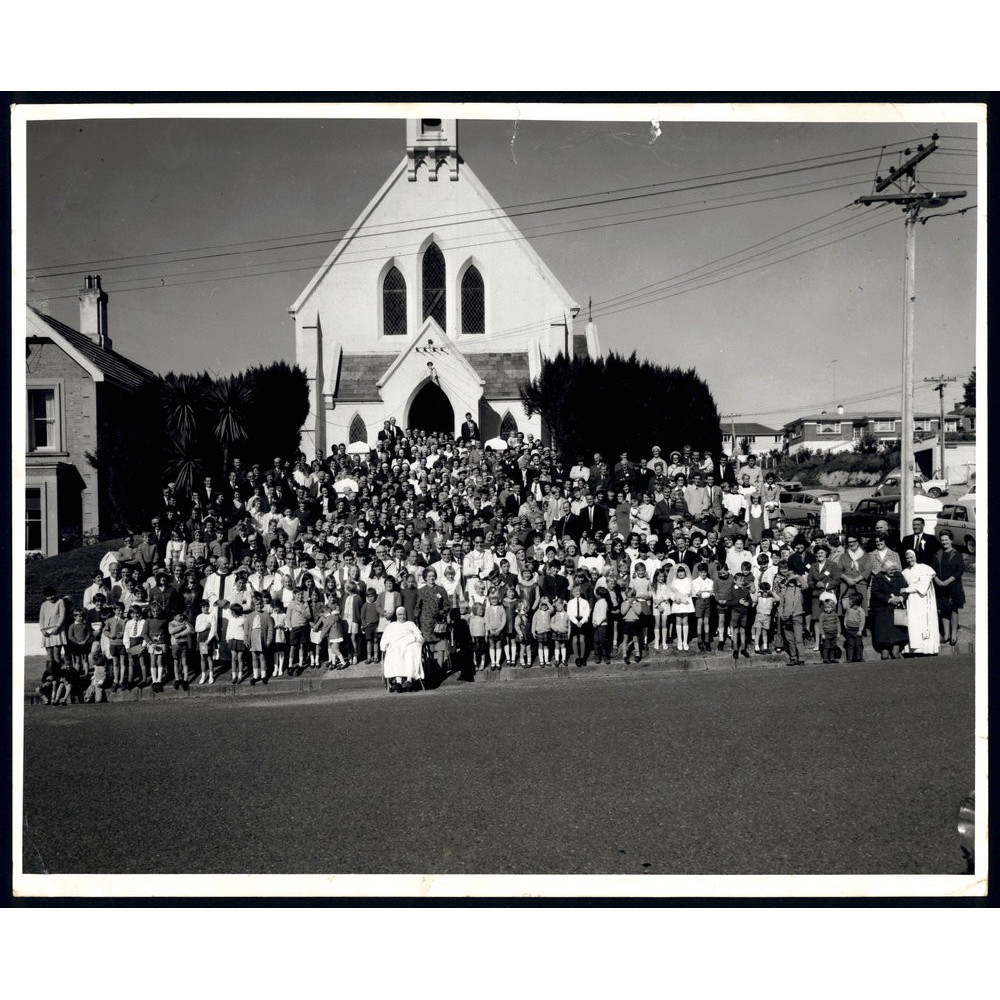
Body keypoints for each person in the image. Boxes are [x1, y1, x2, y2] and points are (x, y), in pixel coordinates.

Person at [900, 549, 940, 656]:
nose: (910, 560)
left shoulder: (924, 568)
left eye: (911, 557)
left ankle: (925, 648)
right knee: (912, 622)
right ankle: (913, 649)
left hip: (922, 600)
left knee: (923, 622)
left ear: (915, 557)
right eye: (907, 558)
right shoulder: (905, 572)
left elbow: (923, 586)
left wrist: (907, 589)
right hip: (910, 601)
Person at [869, 556, 908, 659]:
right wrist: (888, 600)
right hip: (883, 609)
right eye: (891, 570)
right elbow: (875, 593)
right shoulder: (878, 577)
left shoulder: (899, 576)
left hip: (896, 609)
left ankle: (896, 649)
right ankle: (885, 649)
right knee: (883, 632)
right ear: (885, 569)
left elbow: (905, 589)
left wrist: (901, 597)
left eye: (894, 569)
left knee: (897, 631)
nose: (893, 571)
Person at [379, 605, 425, 693]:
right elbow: (385, 638)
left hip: (409, 644)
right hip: (395, 646)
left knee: (410, 651)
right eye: (400, 614)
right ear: (396, 615)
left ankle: (409, 680)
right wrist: (383, 646)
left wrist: (420, 639)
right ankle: (398, 681)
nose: (402, 616)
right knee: (395, 651)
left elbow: (418, 634)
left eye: (404, 614)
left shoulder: (410, 624)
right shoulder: (391, 626)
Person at [932, 529, 965, 646]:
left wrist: (948, 581)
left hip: (953, 587)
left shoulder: (957, 554)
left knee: (953, 610)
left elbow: (959, 570)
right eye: (942, 540)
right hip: (940, 587)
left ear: (951, 540)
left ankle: (953, 634)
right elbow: (933, 569)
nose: (944, 542)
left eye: (946, 540)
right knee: (944, 610)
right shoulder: (937, 554)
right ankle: (946, 635)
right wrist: (937, 580)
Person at [816, 592, 841, 663]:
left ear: (832, 607)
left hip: (834, 632)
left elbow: (838, 623)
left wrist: (839, 632)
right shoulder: (822, 615)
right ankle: (825, 658)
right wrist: (822, 634)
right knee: (826, 646)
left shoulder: (835, 615)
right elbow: (820, 624)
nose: (827, 609)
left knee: (833, 646)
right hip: (826, 633)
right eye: (825, 607)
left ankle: (832, 658)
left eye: (828, 607)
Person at [843, 593, 865, 662]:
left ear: (855, 601)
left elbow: (862, 621)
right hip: (849, 629)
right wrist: (845, 624)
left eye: (850, 599)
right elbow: (846, 616)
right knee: (850, 644)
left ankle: (860, 657)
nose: (849, 601)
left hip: (857, 630)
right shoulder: (849, 609)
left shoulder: (860, 610)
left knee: (858, 644)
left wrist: (860, 630)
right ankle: (849, 658)